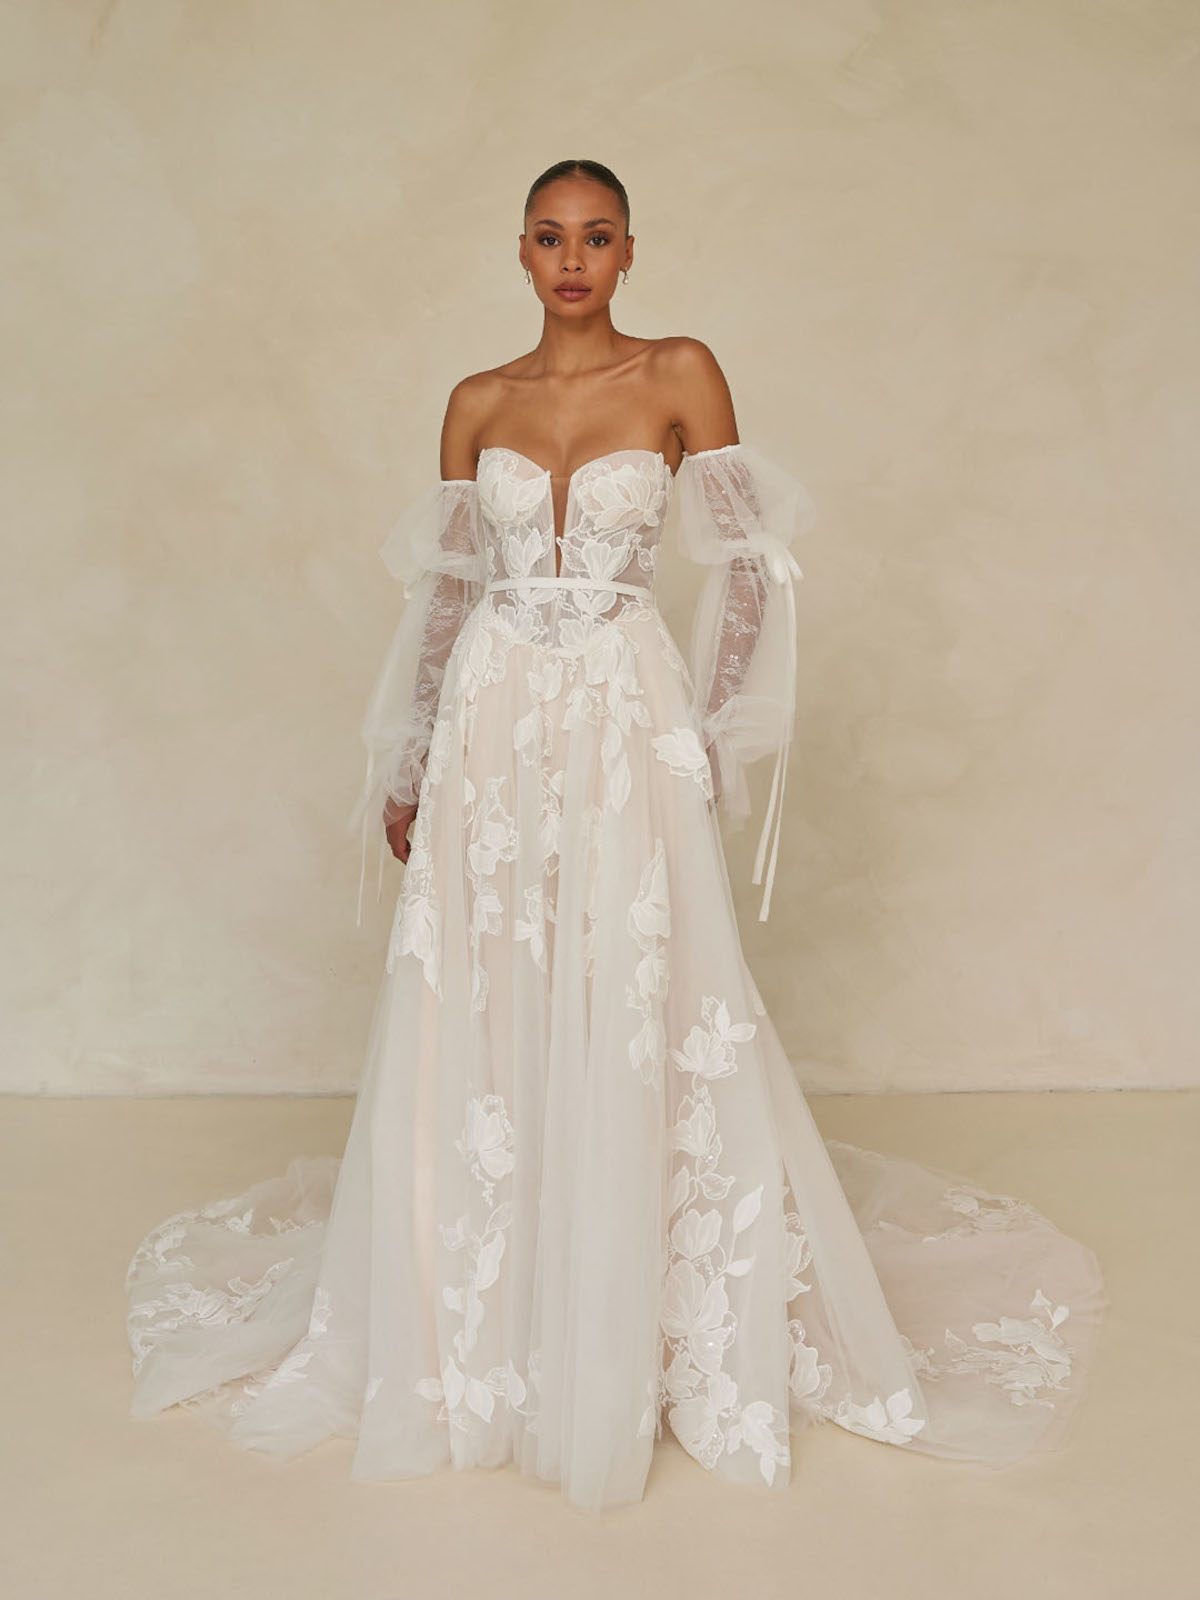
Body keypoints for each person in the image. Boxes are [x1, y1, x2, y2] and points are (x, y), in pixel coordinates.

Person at [124, 160, 1109, 1515]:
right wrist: (414, 757)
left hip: (624, 710)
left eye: (597, 236)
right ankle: (489, 1316)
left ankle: (644, 1316)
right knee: (486, 979)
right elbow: (450, 594)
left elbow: (750, 568)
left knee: (634, 976)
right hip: (494, 719)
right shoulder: (477, 401)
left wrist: (710, 730)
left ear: (630, 251)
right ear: (521, 254)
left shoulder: (681, 370)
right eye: (550, 237)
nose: (574, 258)